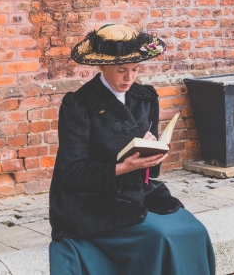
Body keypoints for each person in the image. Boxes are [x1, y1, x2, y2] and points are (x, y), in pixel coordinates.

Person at [49, 24, 215, 275]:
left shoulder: (144, 97)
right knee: (162, 238)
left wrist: (155, 153)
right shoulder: (78, 105)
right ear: (102, 66)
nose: (129, 78)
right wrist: (121, 168)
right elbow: (72, 173)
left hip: (139, 192)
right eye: (121, 70)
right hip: (91, 203)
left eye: (135, 70)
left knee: (195, 231)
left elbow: (153, 173)